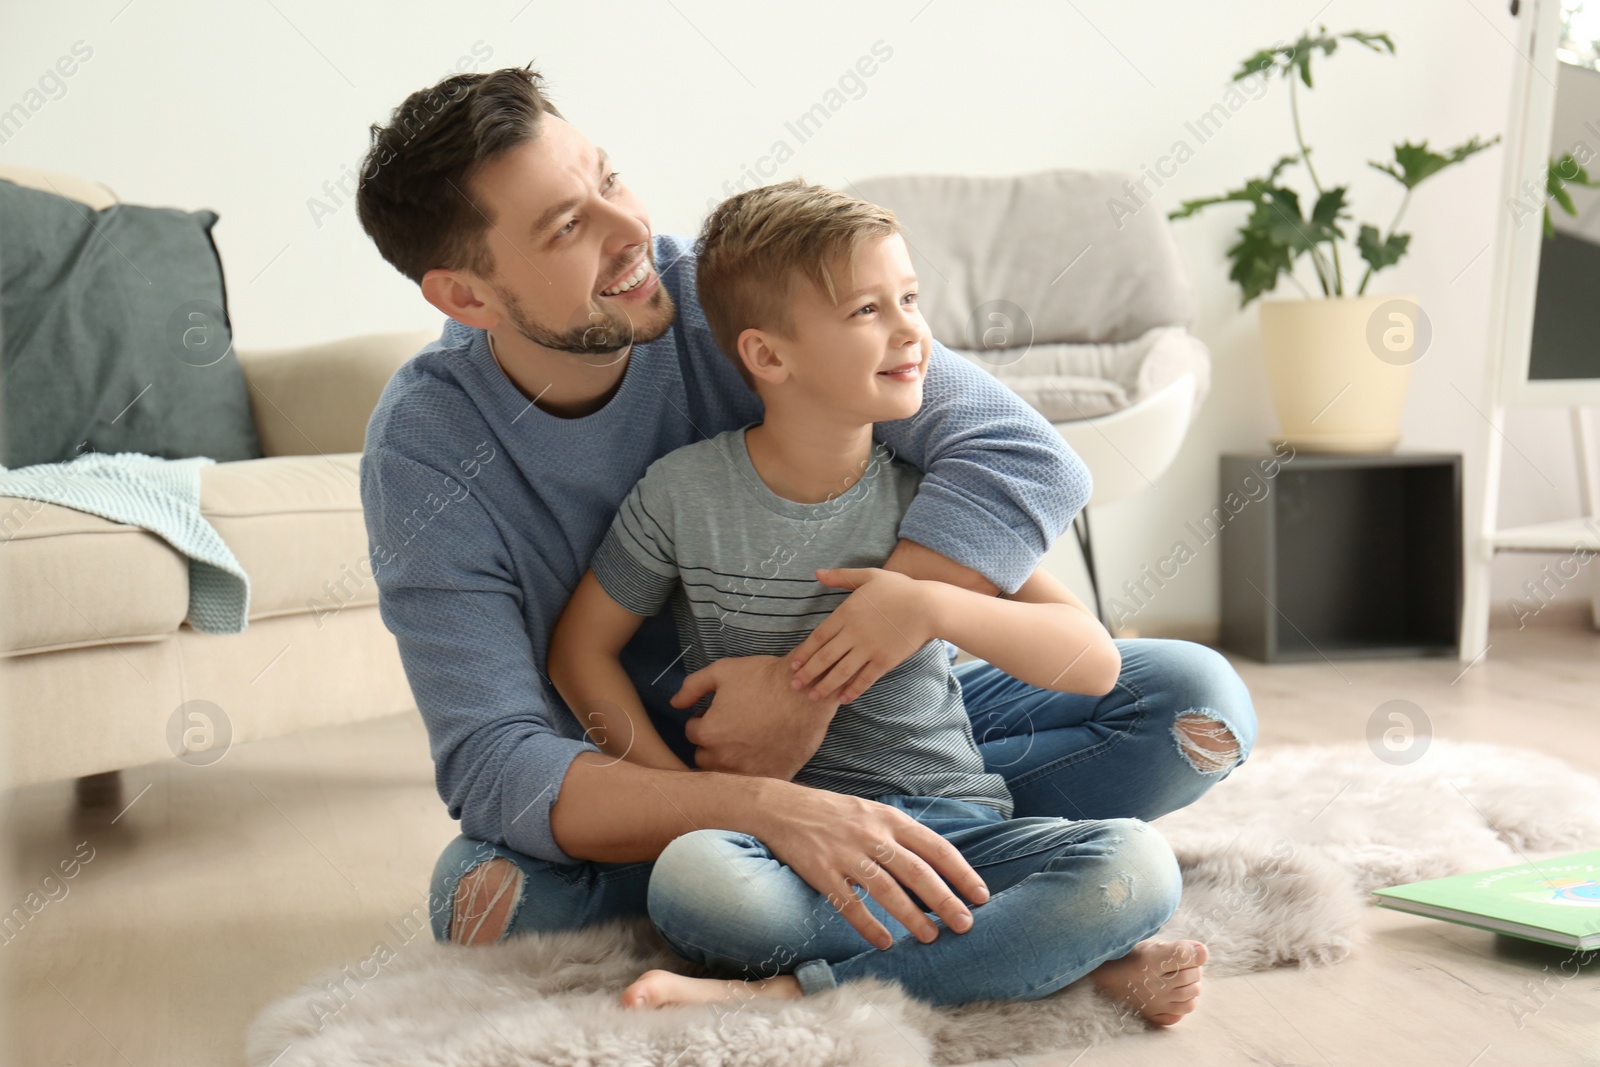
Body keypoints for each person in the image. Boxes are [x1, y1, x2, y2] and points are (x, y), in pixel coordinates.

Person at [353, 64, 1257, 1024]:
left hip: (899, 731)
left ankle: (812, 942)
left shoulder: (730, 295)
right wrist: (750, 801)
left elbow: (1018, 455)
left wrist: (801, 689)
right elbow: (496, 756)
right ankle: (1018, 944)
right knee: (484, 901)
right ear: (466, 296)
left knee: (1197, 711)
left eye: (610, 180)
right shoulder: (426, 450)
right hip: (652, 776)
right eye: (566, 227)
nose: (629, 234)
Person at [546, 177, 1209, 1012]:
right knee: (693, 879)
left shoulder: (928, 495)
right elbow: (581, 649)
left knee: (1138, 866)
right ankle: (1051, 958)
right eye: (868, 310)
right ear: (768, 355)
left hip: (954, 831)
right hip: (785, 850)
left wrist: (926, 604)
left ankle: (791, 991)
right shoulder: (680, 494)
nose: (912, 332)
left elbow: (1091, 662)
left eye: (912, 298)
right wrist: (692, 799)